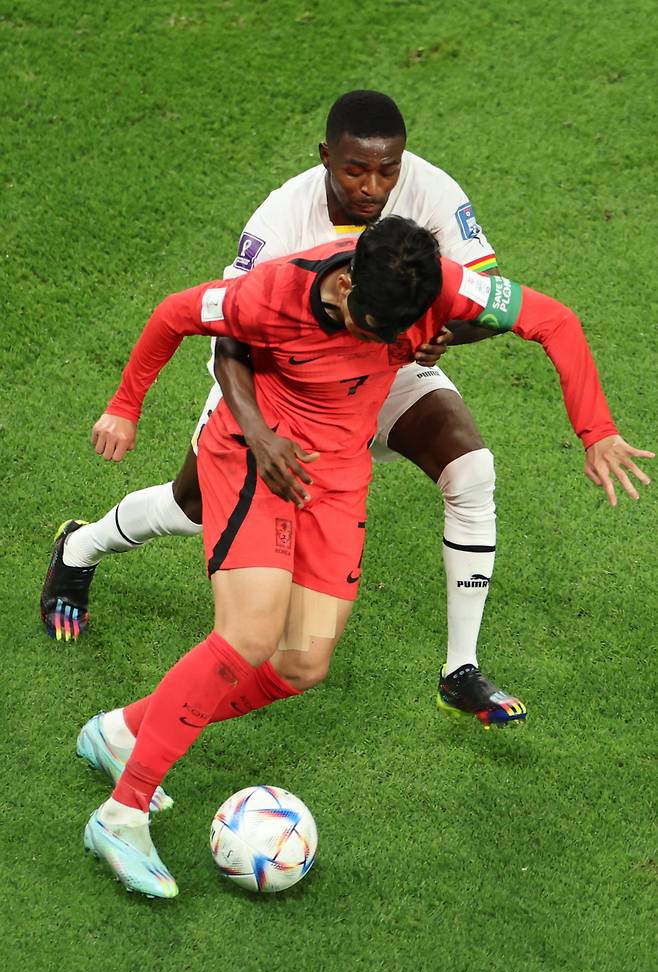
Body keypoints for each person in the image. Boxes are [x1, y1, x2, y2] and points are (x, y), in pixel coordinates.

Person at [77, 217, 651, 897]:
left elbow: (553, 320)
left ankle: (121, 735)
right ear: (345, 284)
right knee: (250, 635)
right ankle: (123, 811)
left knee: (302, 663)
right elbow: (175, 316)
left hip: (339, 474)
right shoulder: (273, 293)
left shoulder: (431, 287)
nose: (385, 344)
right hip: (257, 457)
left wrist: (597, 431)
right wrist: (124, 406)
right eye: (375, 327)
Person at [41, 90, 522, 726]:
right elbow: (226, 335)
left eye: (387, 170)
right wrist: (260, 434)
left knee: (472, 472)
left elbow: (490, 303)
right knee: (192, 509)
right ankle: (82, 547)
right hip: (276, 382)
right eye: (355, 170)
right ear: (326, 156)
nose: (373, 186)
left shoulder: (433, 191)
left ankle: (459, 670)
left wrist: (444, 334)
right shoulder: (282, 218)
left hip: (383, 365)